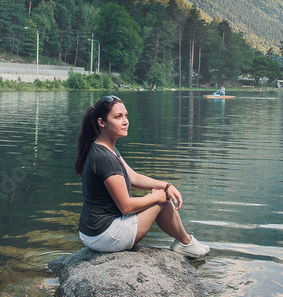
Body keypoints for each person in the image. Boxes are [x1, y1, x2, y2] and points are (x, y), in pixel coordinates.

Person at [74, 95, 210, 258]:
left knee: (161, 195)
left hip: (91, 232)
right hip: (105, 236)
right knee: (163, 201)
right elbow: (126, 206)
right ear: (102, 122)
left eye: (126, 116)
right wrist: (156, 197)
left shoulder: (104, 147)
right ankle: (186, 243)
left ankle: (186, 242)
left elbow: (134, 177)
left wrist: (166, 185)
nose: (125, 121)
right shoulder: (105, 157)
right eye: (118, 117)